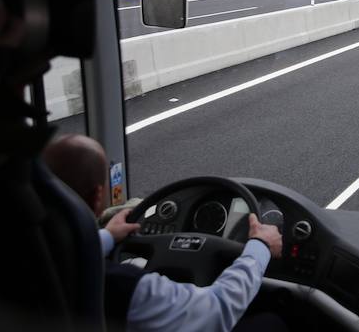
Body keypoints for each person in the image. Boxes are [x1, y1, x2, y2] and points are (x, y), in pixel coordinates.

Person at [43, 135, 284, 332]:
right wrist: (259, 245)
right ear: (98, 196)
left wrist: (107, 236)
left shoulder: (29, 255)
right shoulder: (124, 285)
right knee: (272, 323)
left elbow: (74, 250)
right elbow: (215, 310)